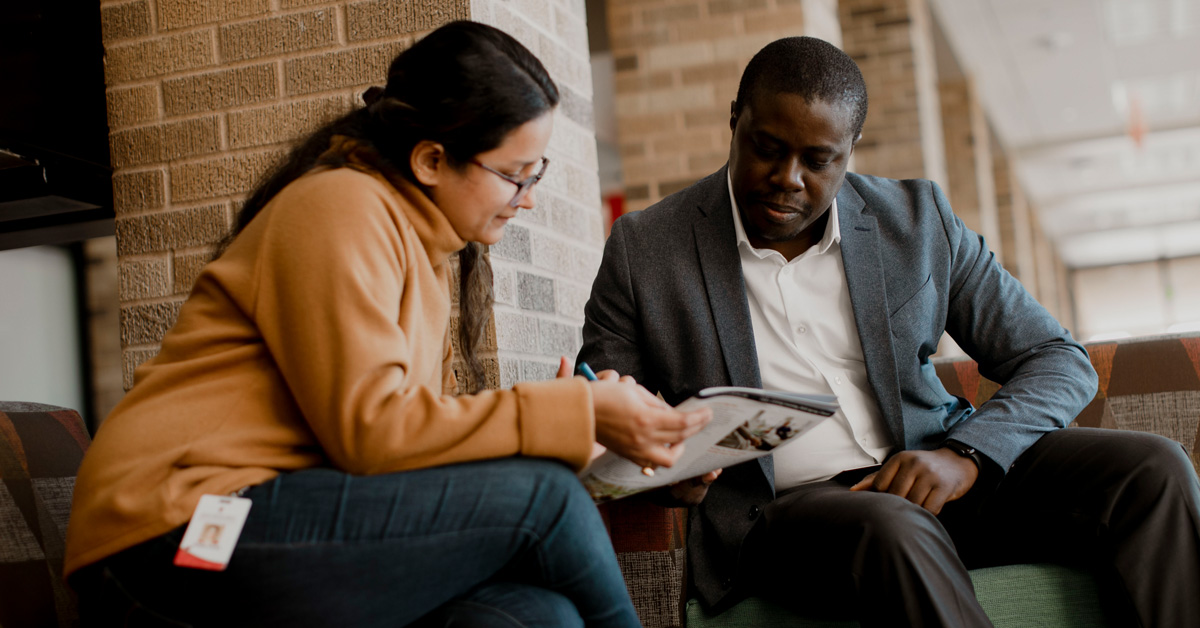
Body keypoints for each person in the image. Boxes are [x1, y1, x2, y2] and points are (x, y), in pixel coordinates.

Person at [65, 21, 710, 628]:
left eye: (535, 175)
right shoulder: (338, 206)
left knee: (532, 617)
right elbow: (372, 433)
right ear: (431, 160)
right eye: (513, 176)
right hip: (173, 539)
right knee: (544, 498)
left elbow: (400, 448)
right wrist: (575, 412)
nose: (529, 199)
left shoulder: (420, 252)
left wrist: (580, 435)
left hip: (259, 522)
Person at [578, 36, 1200, 627]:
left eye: (818, 160)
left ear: (850, 151)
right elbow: (607, 415)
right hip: (790, 513)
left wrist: (966, 456)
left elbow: (1057, 358)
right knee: (893, 528)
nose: (788, 177)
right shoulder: (645, 250)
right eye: (767, 147)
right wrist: (663, 468)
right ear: (735, 118)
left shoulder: (918, 219)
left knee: (1152, 469)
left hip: (936, 471)